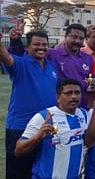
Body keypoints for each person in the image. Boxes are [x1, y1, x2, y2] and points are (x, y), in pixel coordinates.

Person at [0, 29, 58, 178]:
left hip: (45, 127)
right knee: (18, 172)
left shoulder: (52, 67)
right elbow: (6, 58)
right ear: (27, 47)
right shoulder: (20, 63)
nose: (41, 47)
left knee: (40, 170)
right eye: (36, 44)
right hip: (21, 127)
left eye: (44, 44)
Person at [9, 23, 95, 108]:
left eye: (81, 38)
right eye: (74, 37)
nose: (77, 41)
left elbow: (91, 83)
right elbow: (20, 56)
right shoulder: (52, 53)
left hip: (80, 106)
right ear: (66, 37)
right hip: (58, 107)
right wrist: (15, 40)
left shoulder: (88, 59)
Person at [15, 79, 88, 179]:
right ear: (58, 98)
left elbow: (89, 143)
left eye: (77, 92)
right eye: (68, 93)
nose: (74, 96)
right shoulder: (43, 117)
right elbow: (18, 150)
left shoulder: (84, 114)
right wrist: (37, 137)